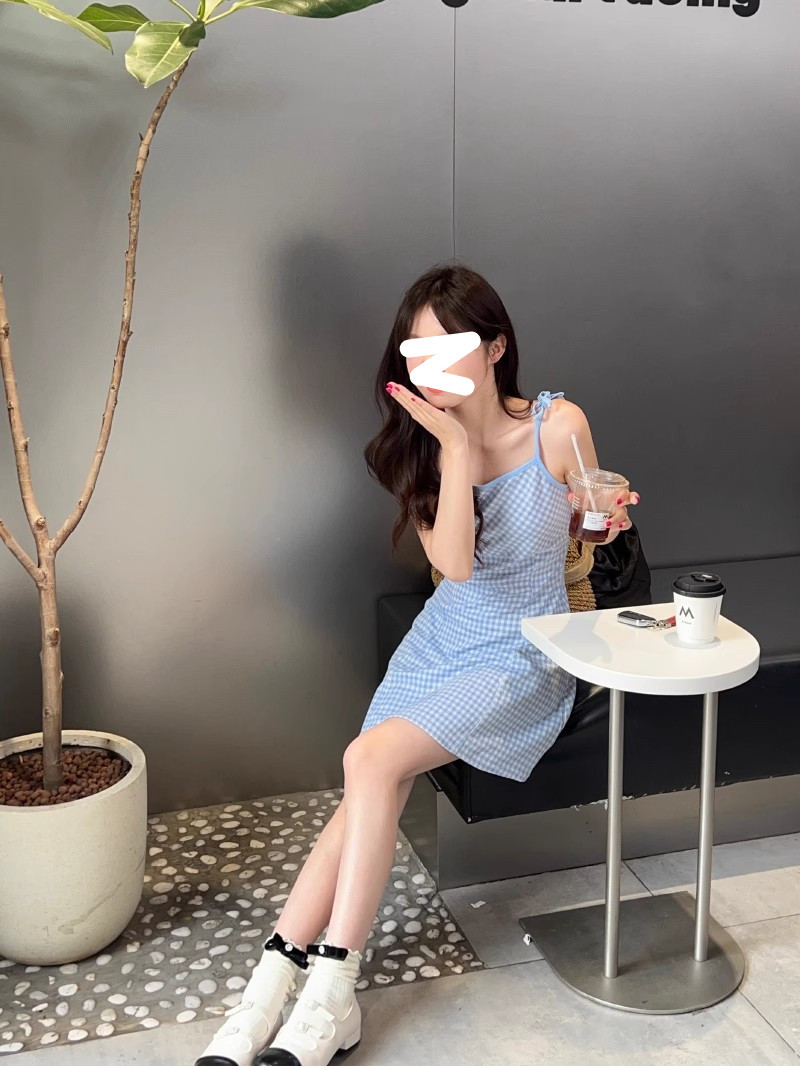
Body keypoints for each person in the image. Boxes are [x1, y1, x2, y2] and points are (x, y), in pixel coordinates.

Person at [194, 263, 640, 1066]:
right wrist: (452, 446)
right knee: (371, 781)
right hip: (444, 637)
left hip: (523, 649)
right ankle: (271, 989)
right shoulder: (425, 449)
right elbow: (456, 568)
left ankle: (328, 992)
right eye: (416, 353)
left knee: (367, 761)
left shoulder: (558, 424)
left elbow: (589, 523)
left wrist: (603, 521)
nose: (430, 368)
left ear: (495, 348)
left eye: (448, 348)